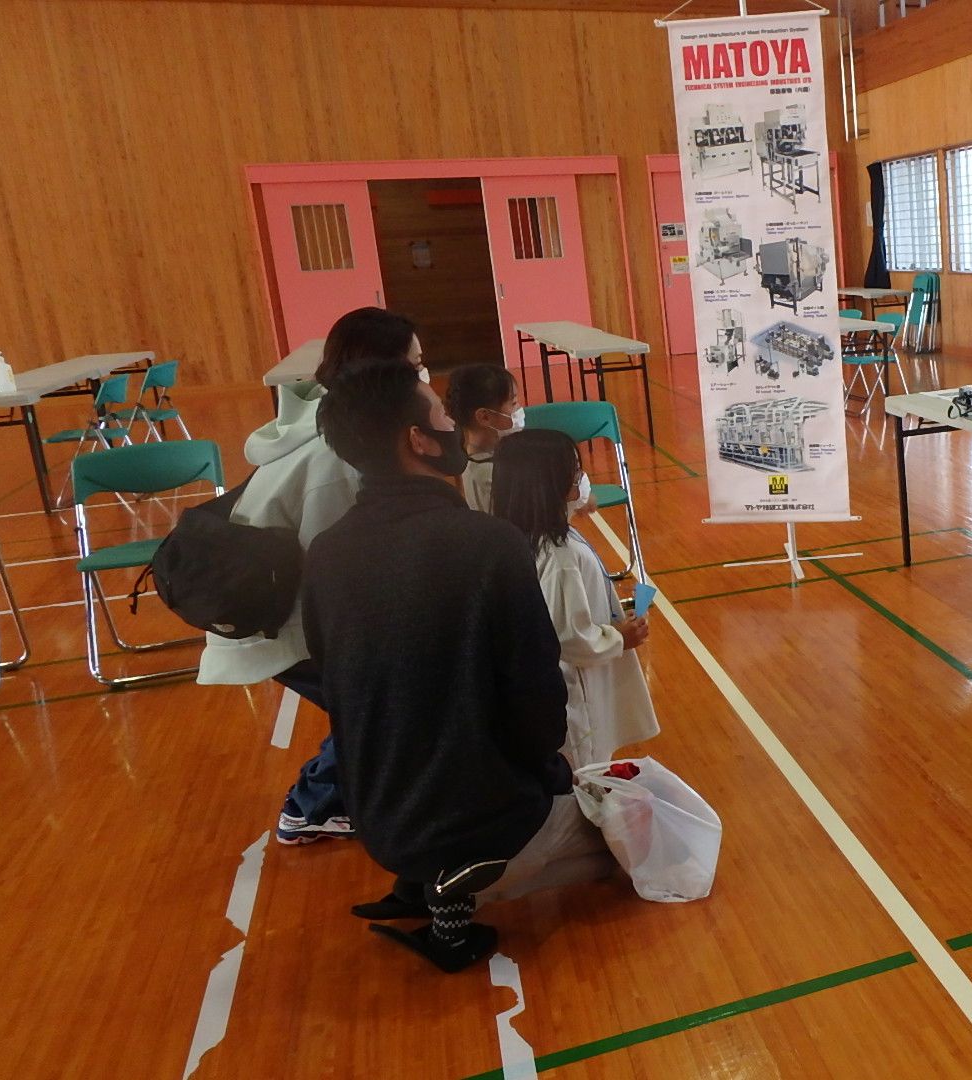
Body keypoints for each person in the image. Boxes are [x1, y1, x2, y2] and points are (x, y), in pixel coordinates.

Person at [304, 354, 612, 972]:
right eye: (442, 415)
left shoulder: (327, 551)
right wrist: (550, 774)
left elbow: (333, 678)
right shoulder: (487, 543)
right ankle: (463, 884)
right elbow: (537, 700)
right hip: (486, 813)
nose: (452, 423)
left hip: (377, 811)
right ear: (418, 439)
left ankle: (423, 878)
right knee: (625, 834)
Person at [197, 306, 425, 845]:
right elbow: (337, 570)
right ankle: (311, 806)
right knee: (385, 700)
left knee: (378, 701)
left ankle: (362, 792)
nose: (423, 376)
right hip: (275, 620)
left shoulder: (337, 423)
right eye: (415, 365)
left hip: (291, 604)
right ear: (381, 371)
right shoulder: (335, 453)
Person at [492, 429, 658, 768]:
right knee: (586, 766)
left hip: (560, 685)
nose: (582, 478)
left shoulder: (528, 538)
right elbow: (568, 637)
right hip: (574, 692)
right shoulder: (559, 555)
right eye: (575, 470)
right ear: (551, 483)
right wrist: (619, 638)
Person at [445, 363, 523, 513]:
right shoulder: (488, 476)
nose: (519, 409)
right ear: (484, 417)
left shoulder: (494, 457)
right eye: (513, 403)